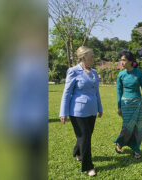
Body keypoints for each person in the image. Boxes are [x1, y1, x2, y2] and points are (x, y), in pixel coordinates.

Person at [59, 46, 103, 177]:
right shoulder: (73, 71)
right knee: (85, 138)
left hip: (92, 110)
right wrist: (63, 112)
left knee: (86, 136)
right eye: (92, 57)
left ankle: (77, 152)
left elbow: (96, 92)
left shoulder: (94, 72)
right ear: (83, 58)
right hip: (77, 111)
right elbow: (67, 93)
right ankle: (88, 166)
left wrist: (99, 108)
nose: (94, 59)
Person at [114, 50, 142, 159]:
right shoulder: (121, 75)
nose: (122, 62)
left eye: (124, 60)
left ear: (130, 61)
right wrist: (119, 107)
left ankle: (136, 148)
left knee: (138, 127)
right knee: (127, 126)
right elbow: (119, 92)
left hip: (137, 104)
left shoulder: (138, 72)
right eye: (121, 60)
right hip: (126, 105)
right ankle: (120, 143)